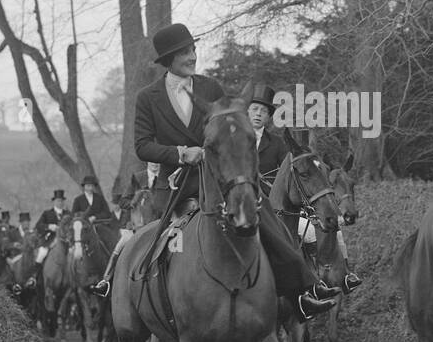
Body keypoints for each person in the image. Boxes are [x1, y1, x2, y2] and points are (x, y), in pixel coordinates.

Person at [93, 23, 338, 318]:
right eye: (185, 52)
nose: (192, 56)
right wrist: (182, 153)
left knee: (266, 218)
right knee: (169, 244)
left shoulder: (211, 88)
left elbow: (229, 129)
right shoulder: (148, 97)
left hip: (218, 181)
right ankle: (153, 302)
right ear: (170, 60)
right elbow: (142, 146)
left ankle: (303, 292)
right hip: (174, 187)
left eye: (193, 49)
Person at [249, 83, 362, 294]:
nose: (258, 114)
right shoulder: (235, 139)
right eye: (255, 109)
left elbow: (290, 174)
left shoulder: (276, 143)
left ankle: (336, 273)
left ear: (269, 117)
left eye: (264, 111)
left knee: (321, 228)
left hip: (274, 202)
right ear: (247, 111)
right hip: (244, 203)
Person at [35, 189, 66, 263]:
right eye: (58, 200)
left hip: (65, 239)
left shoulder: (68, 213)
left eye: (61, 201)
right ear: (54, 201)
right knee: (42, 254)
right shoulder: (47, 213)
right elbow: (38, 225)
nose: (60, 203)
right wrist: (49, 226)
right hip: (50, 239)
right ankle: (36, 273)